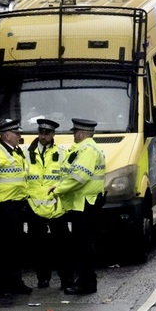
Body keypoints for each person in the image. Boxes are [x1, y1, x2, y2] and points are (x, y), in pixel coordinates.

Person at [49, 118, 106, 295]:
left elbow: (79, 177)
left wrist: (59, 189)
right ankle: (84, 281)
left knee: (84, 246)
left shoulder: (87, 150)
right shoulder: (84, 148)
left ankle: (86, 284)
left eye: (75, 132)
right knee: (82, 244)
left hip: (85, 203)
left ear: (81, 134)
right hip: (82, 203)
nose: (73, 135)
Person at [0, 118, 32, 295]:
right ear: (6, 135)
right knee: (2, 247)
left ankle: (15, 283)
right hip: (3, 206)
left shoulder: (16, 152)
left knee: (14, 247)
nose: (19, 136)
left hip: (15, 205)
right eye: (16, 133)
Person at [25, 118, 73, 290]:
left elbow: (67, 177)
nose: (43, 136)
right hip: (35, 206)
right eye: (41, 132)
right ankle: (43, 278)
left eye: (47, 133)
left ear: (53, 134)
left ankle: (66, 280)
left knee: (62, 246)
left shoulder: (62, 153)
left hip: (56, 206)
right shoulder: (26, 153)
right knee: (38, 246)